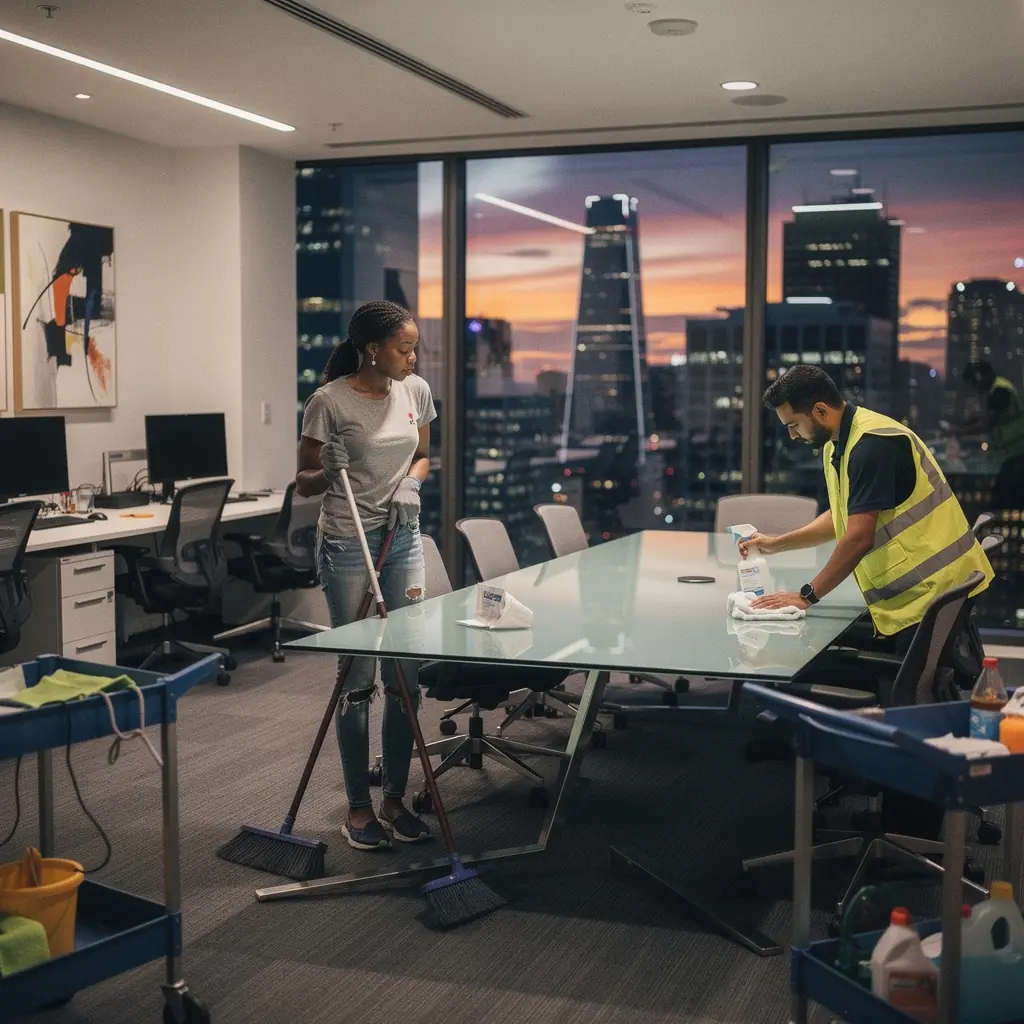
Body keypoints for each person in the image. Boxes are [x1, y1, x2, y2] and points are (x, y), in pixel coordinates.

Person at [296, 300, 435, 851]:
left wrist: (412, 484)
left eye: (414, 347)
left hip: (402, 538)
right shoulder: (327, 402)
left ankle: (395, 800)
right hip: (349, 544)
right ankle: (358, 809)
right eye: (404, 348)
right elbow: (304, 481)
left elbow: (423, 453)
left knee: (406, 677)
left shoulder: (416, 391)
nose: (412, 356)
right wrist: (322, 471)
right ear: (372, 349)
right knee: (357, 682)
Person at [745, 364, 993, 648]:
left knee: (807, 648)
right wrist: (776, 544)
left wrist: (806, 597)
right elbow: (842, 518)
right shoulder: (839, 444)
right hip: (924, 597)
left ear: (821, 411)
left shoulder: (872, 445)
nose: (792, 435)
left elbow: (859, 537)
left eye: (793, 425)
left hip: (929, 599)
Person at [954, 361, 1024, 511]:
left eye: (974, 382)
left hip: (1016, 452)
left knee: (1006, 500)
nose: (975, 387)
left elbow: (987, 423)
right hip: (1012, 452)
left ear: (980, 377)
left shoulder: (1000, 391)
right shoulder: (999, 388)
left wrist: (961, 432)